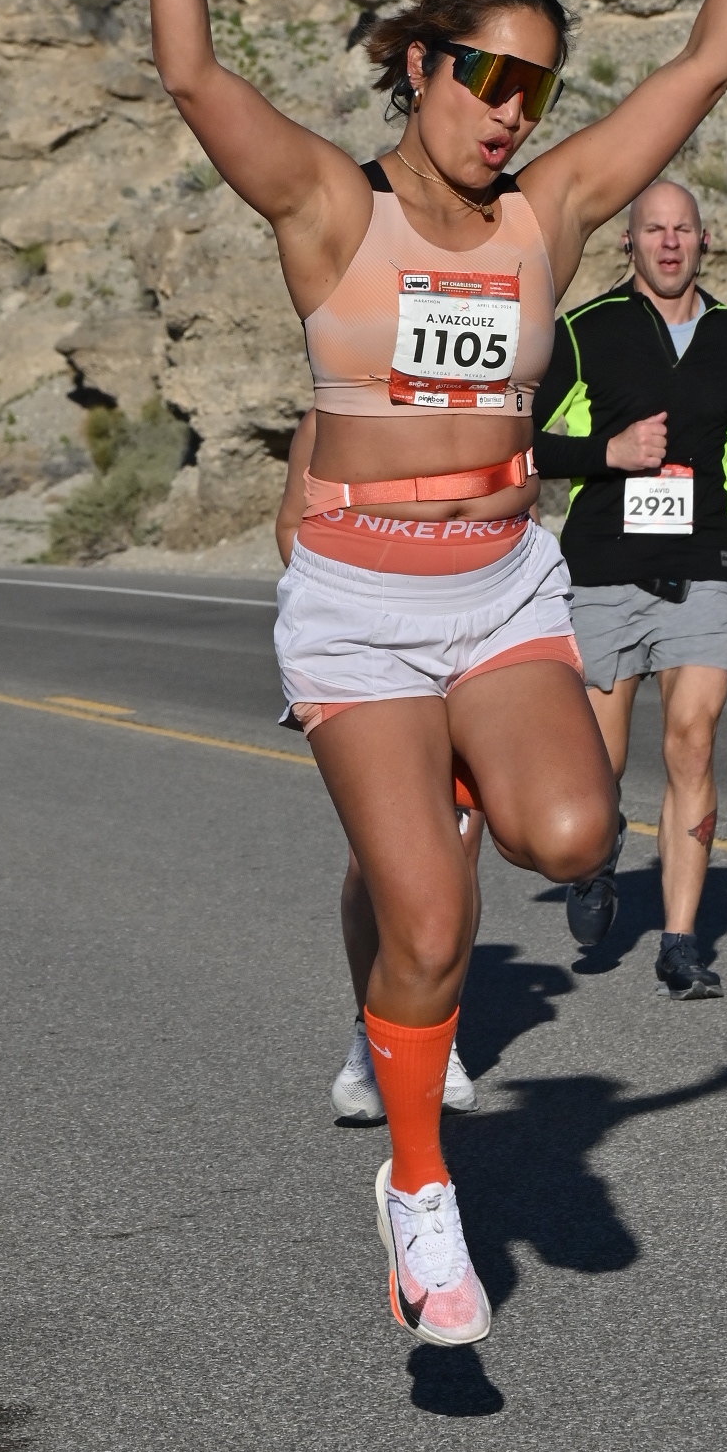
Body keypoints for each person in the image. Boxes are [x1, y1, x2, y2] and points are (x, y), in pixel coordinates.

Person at [113, 0, 727, 1346]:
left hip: (504, 584)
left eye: (538, 86)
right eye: (487, 75)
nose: (511, 111)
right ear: (422, 65)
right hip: (363, 603)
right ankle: (420, 1191)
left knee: (576, 839)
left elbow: (701, 73)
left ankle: (450, 783)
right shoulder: (333, 206)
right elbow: (194, 79)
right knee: (432, 928)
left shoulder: (552, 214)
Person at [534, 178, 727, 999]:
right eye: (654, 230)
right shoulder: (584, 331)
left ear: (704, 240)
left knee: (692, 741)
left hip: (702, 564)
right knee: (598, 767)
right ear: (629, 243)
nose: (670, 243)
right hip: (603, 569)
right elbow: (522, 441)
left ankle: (681, 943)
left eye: (683, 230)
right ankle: (595, 858)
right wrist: (608, 452)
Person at [278, 410, 481, 1125]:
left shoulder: (482, 413)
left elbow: (515, 523)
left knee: (459, 848)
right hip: (374, 659)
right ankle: (371, 1031)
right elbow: (294, 527)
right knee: (377, 862)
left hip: (471, 654)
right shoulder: (333, 416)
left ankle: (439, 1036)